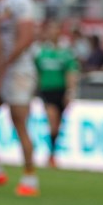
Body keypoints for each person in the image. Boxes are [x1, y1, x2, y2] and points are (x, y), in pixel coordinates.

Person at [0, 0, 40, 197]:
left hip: (18, 70)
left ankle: (30, 177)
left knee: (19, 123)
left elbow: (26, 37)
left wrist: (5, 65)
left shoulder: (20, 0)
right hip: (2, 69)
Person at [33, 19, 80, 168]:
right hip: (47, 91)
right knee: (52, 121)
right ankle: (51, 155)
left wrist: (70, 92)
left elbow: (71, 73)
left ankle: (52, 153)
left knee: (58, 125)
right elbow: (36, 71)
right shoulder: (41, 52)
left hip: (61, 91)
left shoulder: (65, 53)